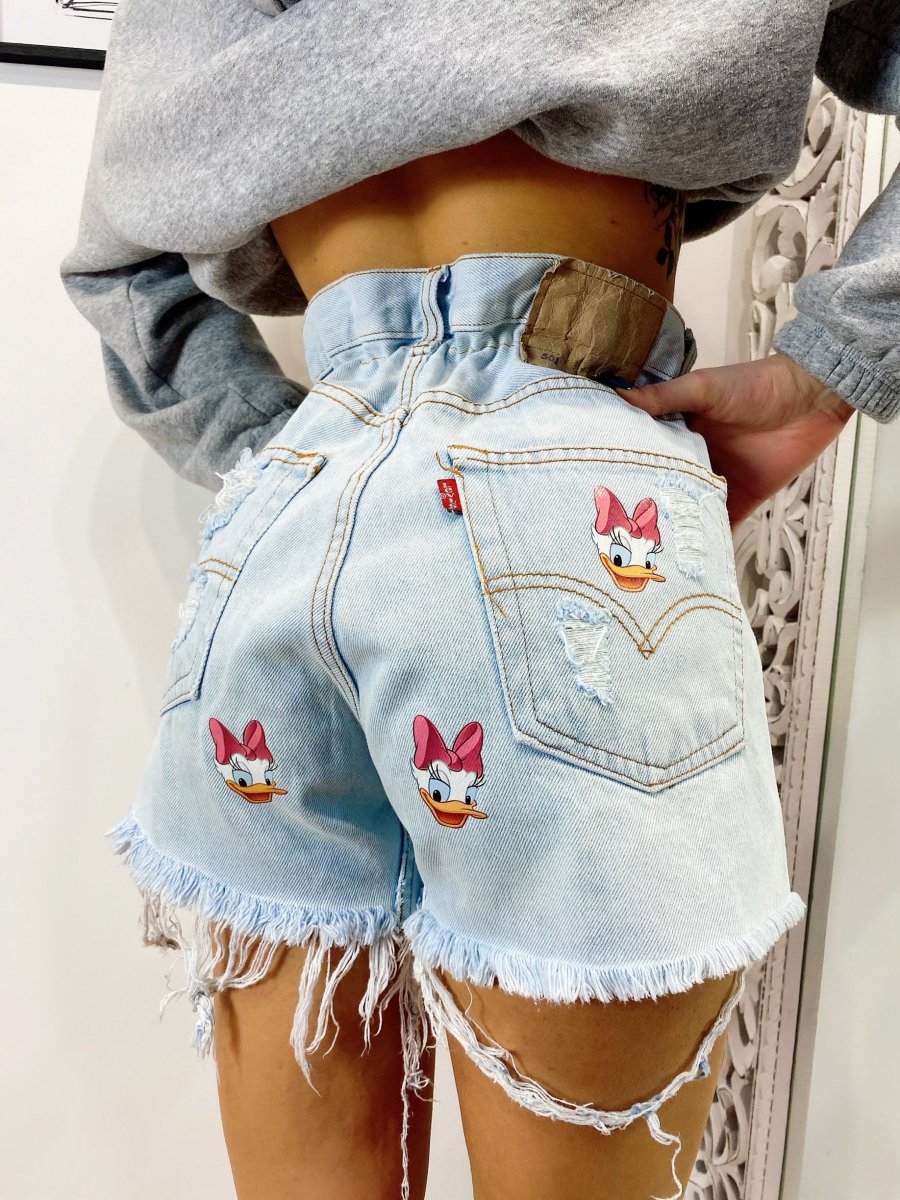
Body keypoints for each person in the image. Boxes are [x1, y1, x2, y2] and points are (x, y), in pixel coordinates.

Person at [59, 2, 898, 1198]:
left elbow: (120, 265)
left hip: (292, 516)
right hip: (570, 486)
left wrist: (281, 457)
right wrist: (829, 368)